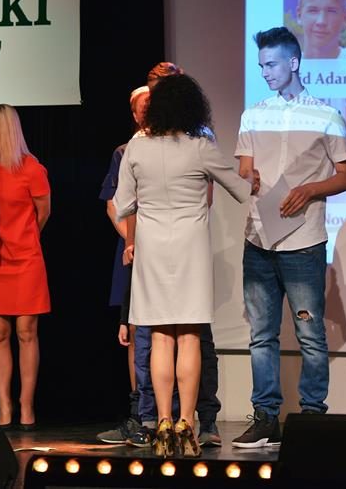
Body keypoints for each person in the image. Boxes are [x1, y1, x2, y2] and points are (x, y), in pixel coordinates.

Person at [113, 74, 252, 457]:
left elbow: (123, 203)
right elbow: (241, 189)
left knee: (160, 336)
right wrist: (251, 177)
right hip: (190, 248)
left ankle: (162, 421)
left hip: (152, 249)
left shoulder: (137, 148)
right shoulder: (200, 146)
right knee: (189, 335)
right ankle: (187, 423)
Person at [233, 27, 346, 448]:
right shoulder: (253, 115)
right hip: (258, 237)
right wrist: (248, 178)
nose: (265, 72)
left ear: (294, 63)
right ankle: (266, 417)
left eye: (271, 64)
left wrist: (310, 189)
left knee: (310, 333)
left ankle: (312, 418)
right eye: (261, 65)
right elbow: (244, 167)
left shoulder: (326, 116)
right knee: (261, 335)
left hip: (303, 240)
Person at [0, 104, 51, 430]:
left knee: (26, 332)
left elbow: (43, 212)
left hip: (26, 259)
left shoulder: (31, 168)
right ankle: (4, 406)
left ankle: (26, 406)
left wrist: (24, 239)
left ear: (7, 131)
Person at [96, 86, 151, 445]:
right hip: (132, 251)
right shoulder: (123, 151)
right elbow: (113, 204)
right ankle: (139, 411)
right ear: (133, 114)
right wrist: (133, 240)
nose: (147, 111)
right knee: (132, 331)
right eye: (141, 107)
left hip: (164, 249)